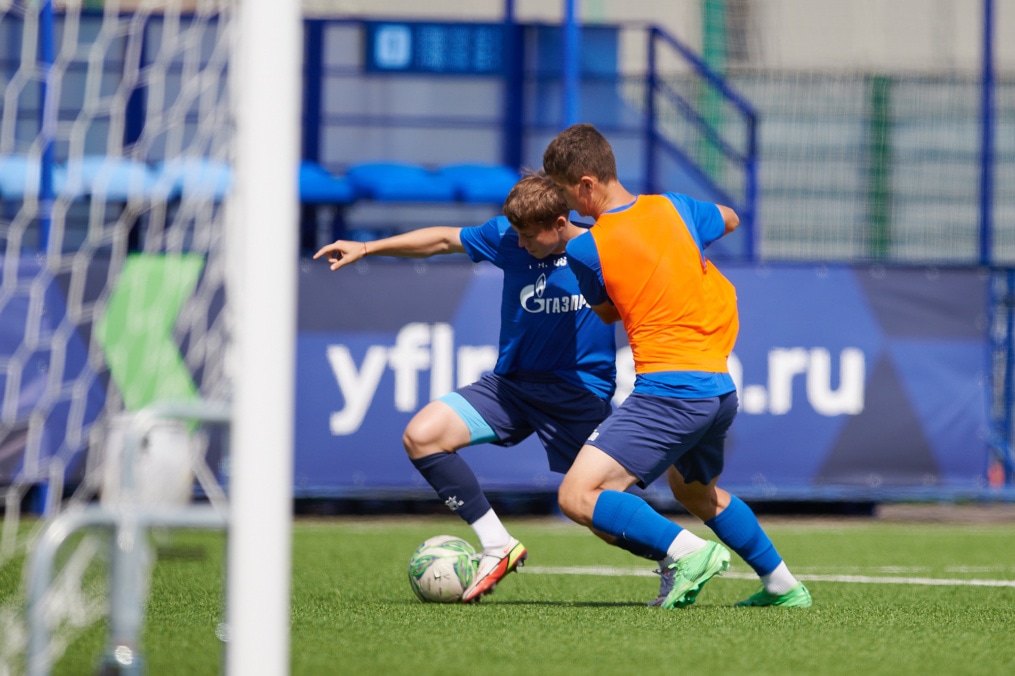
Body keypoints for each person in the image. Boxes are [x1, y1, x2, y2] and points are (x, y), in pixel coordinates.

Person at [314, 172, 620, 603]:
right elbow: (442, 240)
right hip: (511, 387)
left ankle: (674, 557)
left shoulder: (603, 248)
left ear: (559, 222)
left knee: (601, 515)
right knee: (422, 436)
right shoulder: (508, 238)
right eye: (516, 234)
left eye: (530, 236)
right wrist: (367, 247)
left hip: (578, 398)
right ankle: (498, 545)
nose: (521, 243)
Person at [543, 122, 812, 609]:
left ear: (586, 184)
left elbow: (607, 312)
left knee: (578, 495)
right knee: (695, 492)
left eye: (566, 194)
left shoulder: (585, 247)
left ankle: (686, 553)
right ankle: (783, 585)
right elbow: (728, 218)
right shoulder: (676, 206)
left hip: (670, 390)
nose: (567, 207)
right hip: (717, 389)